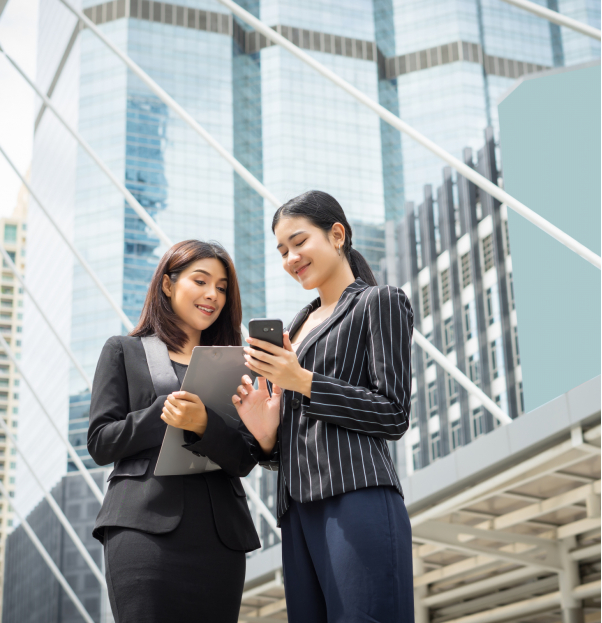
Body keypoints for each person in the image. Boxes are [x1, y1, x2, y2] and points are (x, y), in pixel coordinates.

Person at [233, 190, 416, 623]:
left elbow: (393, 413)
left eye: (299, 242)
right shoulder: (295, 326)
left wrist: (301, 379)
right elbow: (292, 439)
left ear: (337, 235)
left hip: (356, 496)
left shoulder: (379, 301)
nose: (290, 258)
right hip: (296, 511)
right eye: (282, 251)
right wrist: (264, 434)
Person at [88, 240, 265, 623]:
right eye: (200, 281)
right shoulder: (124, 351)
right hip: (142, 529)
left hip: (220, 538)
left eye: (221, 287)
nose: (211, 295)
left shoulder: (239, 366)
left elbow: (246, 457)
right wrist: (162, 415)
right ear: (167, 284)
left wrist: (204, 425)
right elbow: (101, 442)